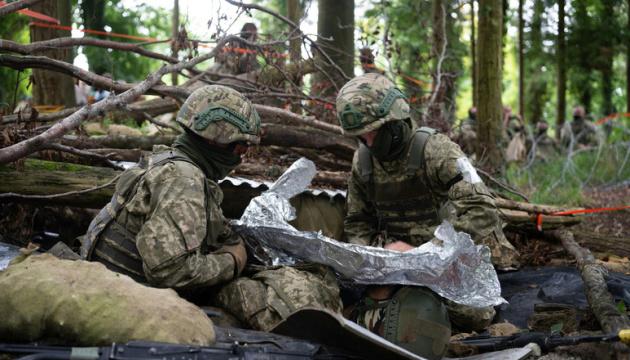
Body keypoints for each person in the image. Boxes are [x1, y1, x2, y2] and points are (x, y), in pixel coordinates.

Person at [336, 73, 519, 359]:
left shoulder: (436, 150)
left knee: (477, 314)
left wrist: (428, 253)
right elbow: (357, 221)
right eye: (361, 136)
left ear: (395, 120)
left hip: (444, 257)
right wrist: (378, 256)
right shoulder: (363, 161)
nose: (368, 142)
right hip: (394, 262)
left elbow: (482, 208)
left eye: (374, 131)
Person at [81, 85, 259, 289]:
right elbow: (171, 272)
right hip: (122, 294)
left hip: (105, 280)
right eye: (241, 146)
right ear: (217, 139)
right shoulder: (183, 179)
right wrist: (232, 261)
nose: (242, 155)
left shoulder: (166, 159)